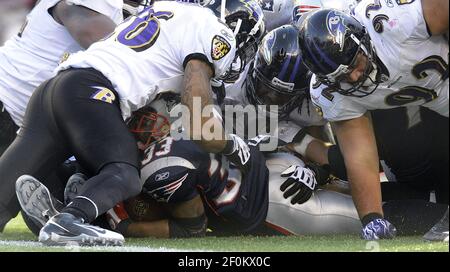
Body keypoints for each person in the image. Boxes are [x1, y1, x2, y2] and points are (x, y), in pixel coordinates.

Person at [0, 0, 265, 246]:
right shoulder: (215, 32)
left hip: (53, 88)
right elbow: (200, 127)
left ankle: (76, 189)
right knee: (124, 174)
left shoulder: (165, 10)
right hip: (92, 91)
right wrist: (232, 145)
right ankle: (70, 218)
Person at [16, 131, 448, 239]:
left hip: (267, 169)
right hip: (269, 204)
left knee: (353, 187)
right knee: (360, 217)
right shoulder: (151, 180)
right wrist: (125, 228)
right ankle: (435, 215)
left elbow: (280, 129)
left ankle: (435, 198)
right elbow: (192, 226)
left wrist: (307, 164)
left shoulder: (149, 157)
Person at [297, 0, 448, 240]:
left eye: (354, 64)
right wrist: (372, 218)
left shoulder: (397, 20)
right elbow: (359, 154)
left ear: (361, 39)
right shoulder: (330, 92)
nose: (355, 76)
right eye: (342, 77)